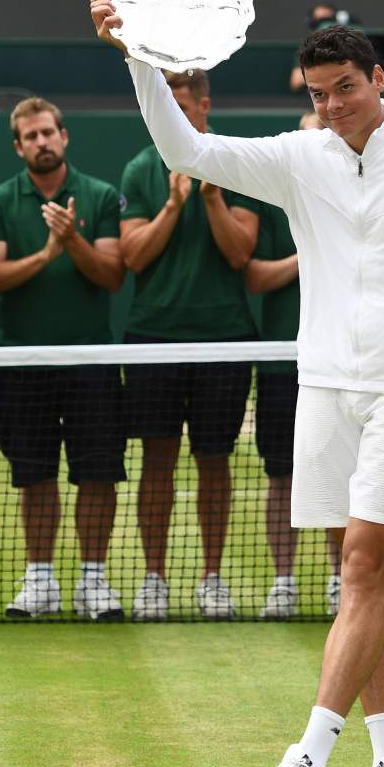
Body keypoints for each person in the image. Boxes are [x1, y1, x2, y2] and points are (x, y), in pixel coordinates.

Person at [91, 0, 384, 767]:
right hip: (322, 388)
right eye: (318, 92)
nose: (331, 106)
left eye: (345, 88)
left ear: (378, 79)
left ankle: (307, 762)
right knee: (366, 579)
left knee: (362, 567)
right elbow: (185, 145)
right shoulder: (298, 156)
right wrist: (137, 56)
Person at [0, 97, 126, 621]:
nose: (41, 142)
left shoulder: (101, 196)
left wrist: (71, 239)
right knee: (34, 475)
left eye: (48, 133)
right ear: (18, 147)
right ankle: (39, 580)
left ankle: (93, 580)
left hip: (90, 364)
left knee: (97, 475)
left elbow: (111, 274)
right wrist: (44, 254)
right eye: (30, 136)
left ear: (64, 137)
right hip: (20, 366)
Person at [119, 69, 258, 621]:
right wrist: (173, 205)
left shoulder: (235, 161)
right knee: (157, 461)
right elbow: (132, 257)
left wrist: (211, 198)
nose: (174, 119)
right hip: (154, 337)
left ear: (204, 106)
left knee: (214, 461)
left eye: (183, 107)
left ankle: (212, 578)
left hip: (223, 339)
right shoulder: (139, 166)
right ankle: (154, 578)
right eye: (166, 108)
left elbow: (240, 254)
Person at [241, 111, 340, 620]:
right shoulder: (274, 196)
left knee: (342, 480)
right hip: (284, 365)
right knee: (282, 477)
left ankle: (342, 581)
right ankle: (283, 581)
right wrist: (312, 253)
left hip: (344, 367)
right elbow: (256, 276)